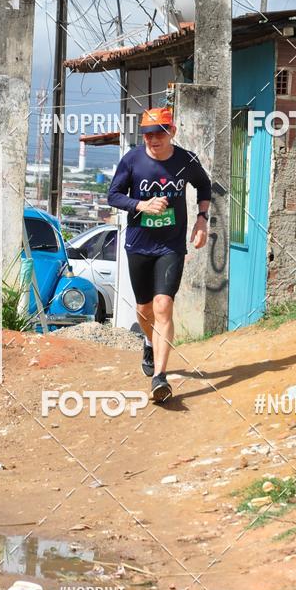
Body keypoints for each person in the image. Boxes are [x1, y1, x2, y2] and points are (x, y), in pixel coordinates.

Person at [108, 107, 212, 403]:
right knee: (145, 311)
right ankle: (148, 341)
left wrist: (202, 219)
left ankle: (160, 378)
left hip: (171, 246)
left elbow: (204, 185)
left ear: (172, 132)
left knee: (163, 305)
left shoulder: (186, 160)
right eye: (147, 133)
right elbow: (113, 195)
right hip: (139, 245)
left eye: (159, 132)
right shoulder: (132, 161)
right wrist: (141, 205)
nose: (153, 139)